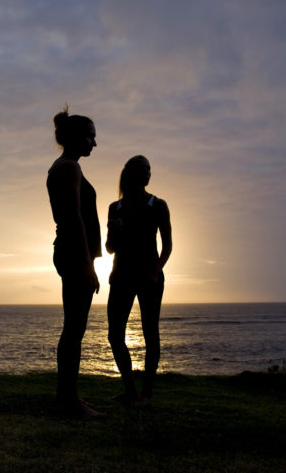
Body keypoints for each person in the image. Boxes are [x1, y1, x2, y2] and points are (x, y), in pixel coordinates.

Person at [46, 105, 103, 417]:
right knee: (74, 329)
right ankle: (69, 401)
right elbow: (73, 218)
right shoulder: (68, 167)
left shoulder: (68, 166)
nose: (94, 142)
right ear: (76, 136)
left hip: (72, 252)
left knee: (74, 328)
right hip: (72, 252)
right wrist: (86, 264)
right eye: (90, 136)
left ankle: (68, 397)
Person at [106, 155, 172, 406]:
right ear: (131, 172)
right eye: (143, 169)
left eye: (149, 169)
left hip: (149, 277)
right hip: (121, 276)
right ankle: (131, 391)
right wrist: (114, 230)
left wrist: (156, 270)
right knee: (115, 335)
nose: (148, 173)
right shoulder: (115, 207)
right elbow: (110, 248)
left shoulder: (158, 205)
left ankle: (146, 394)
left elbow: (167, 245)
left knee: (150, 332)